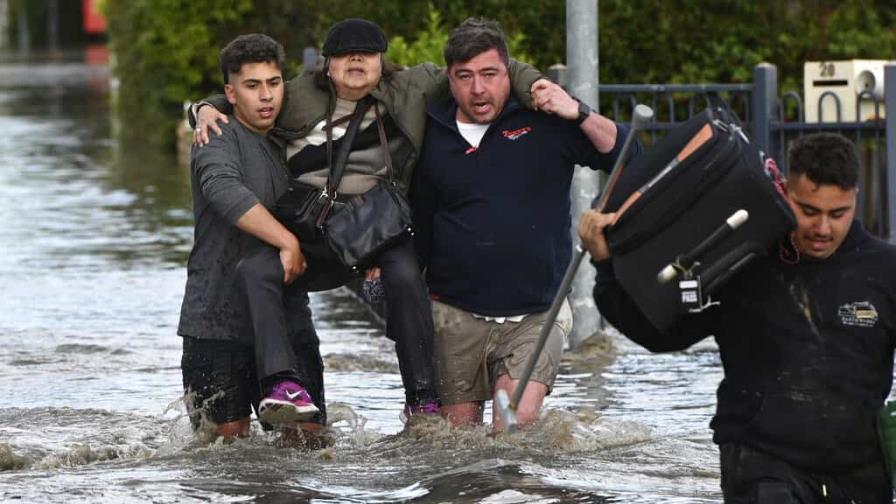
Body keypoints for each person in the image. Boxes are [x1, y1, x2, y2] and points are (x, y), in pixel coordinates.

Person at [191, 18, 544, 421]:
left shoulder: (412, 86)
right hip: (313, 227)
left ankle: (422, 396)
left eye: (367, 53)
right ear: (327, 65)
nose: (356, 60)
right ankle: (280, 383)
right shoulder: (295, 94)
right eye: (344, 54)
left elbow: (490, 66)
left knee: (407, 276)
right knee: (255, 269)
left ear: (382, 62)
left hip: (378, 226)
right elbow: (247, 95)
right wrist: (201, 109)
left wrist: (536, 86)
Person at [581, 132, 896, 502]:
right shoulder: (742, 258)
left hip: (859, 472)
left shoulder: (885, 270)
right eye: (808, 211)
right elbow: (662, 334)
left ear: (855, 198)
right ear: (784, 191)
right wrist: (605, 268)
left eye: (837, 214)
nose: (823, 229)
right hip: (762, 462)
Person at [411, 18, 644, 431]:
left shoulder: (545, 119)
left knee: (510, 429)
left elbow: (626, 152)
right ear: (450, 79)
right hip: (454, 315)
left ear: (509, 73)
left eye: (489, 75)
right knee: (454, 448)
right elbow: (420, 219)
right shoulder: (430, 128)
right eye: (464, 77)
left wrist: (579, 111)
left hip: (536, 314)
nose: (478, 89)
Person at [178, 33, 326, 444]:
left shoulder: (293, 136)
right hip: (216, 320)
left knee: (310, 441)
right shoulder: (216, 135)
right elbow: (223, 189)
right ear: (231, 92)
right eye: (252, 86)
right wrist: (287, 242)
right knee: (226, 451)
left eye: (274, 84)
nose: (266, 96)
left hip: (288, 313)